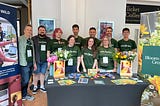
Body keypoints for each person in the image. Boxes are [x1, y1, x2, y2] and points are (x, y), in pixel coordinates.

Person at [18, 24, 36, 101]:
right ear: (24, 30)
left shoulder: (31, 40)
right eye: (28, 29)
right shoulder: (20, 39)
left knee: (27, 80)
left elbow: (33, 53)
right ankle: (22, 94)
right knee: (24, 80)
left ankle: (24, 94)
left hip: (31, 63)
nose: (29, 31)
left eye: (30, 30)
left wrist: (34, 63)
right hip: (24, 63)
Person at [32, 25, 50, 94]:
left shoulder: (48, 39)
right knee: (36, 74)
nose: (42, 31)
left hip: (45, 60)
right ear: (38, 31)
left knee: (43, 73)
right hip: (36, 60)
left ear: (45, 31)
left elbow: (49, 50)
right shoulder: (34, 39)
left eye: (43, 30)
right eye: (40, 30)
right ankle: (35, 86)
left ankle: (42, 86)